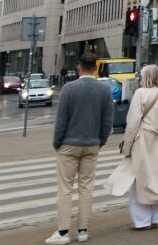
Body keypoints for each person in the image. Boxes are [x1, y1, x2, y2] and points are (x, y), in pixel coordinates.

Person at [46, 52, 114, 245]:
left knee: (65, 189)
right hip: (92, 145)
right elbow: (107, 121)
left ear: (79, 68)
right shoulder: (105, 90)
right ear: (96, 68)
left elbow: (61, 120)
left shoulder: (69, 88)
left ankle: (63, 232)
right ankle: (83, 231)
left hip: (69, 144)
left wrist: (57, 143)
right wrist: (100, 141)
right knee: (86, 188)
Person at [116, 64, 158, 230]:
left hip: (144, 141)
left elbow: (133, 122)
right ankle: (156, 218)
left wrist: (127, 146)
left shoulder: (140, 93)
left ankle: (142, 221)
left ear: (145, 77)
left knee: (140, 180)